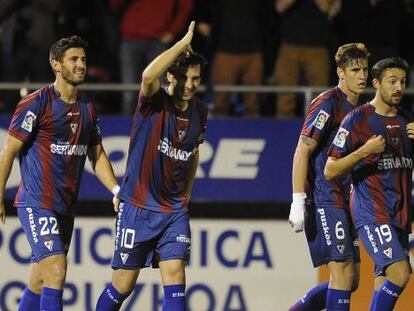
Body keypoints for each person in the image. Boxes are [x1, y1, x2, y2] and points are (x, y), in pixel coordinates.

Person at [0, 35, 120, 311]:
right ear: (55, 64)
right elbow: (8, 150)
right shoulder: (36, 103)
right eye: (73, 60)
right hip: (36, 202)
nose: (81, 65)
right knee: (56, 270)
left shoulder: (88, 107)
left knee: (40, 280)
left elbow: (97, 154)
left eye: (83, 60)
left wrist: (115, 190)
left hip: (65, 206)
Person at [95, 21, 207, 311]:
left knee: (176, 275)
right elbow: (146, 75)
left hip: (174, 211)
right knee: (123, 284)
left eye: (195, 78)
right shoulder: (153, 103)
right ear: (170, 75)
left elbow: (193, 152)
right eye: (182, 77)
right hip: (139, 207)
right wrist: (182, 44)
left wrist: (188, 193)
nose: (189, 85)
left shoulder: (200, 111)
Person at [325, 57, 412, 311]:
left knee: (384, 281)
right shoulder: (357, 120)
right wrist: (364, 151)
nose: (398, 87)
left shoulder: (408, 121)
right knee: (401, 272)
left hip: (401, 215)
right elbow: (330, 169)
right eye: (392, 81)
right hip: (372, 212)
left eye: (403, 82)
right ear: (376, 83)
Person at [288, 43, 370, 310]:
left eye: (365, 69)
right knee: (342, 275)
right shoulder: (327, 103)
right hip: (325, 198)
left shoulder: (360, 111)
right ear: (340, 72)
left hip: (346, 201)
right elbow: (303, 150)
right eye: (354, 69)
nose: (362, 75)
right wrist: (298, 201)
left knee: (352, 279)